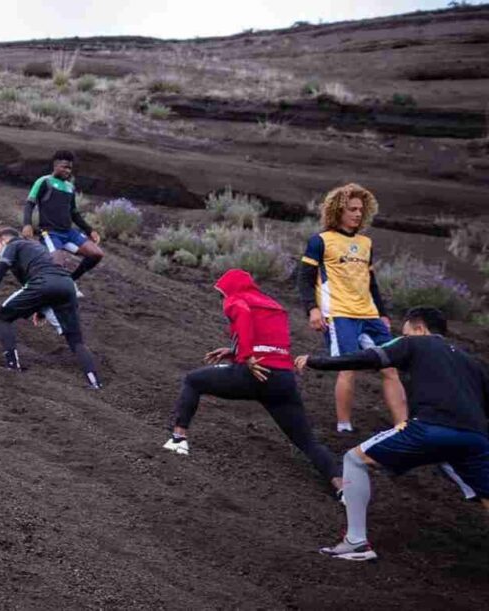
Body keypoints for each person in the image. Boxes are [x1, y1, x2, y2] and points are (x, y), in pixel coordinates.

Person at [296, 307, 489, 561]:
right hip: (476, 439)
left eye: (406, 330)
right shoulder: (471, 362)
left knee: (354, 459)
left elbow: (368, 358)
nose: (403, 336)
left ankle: (356, 543)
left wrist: (317, 361)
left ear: (419, 328)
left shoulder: (415, 343)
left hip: (430, 428)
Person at [161, 269, 341, 492]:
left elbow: (243, 315)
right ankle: (341, 487)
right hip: (282, 379)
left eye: (221, 295)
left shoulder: (235, 300)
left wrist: (245, 356)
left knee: (192, 380)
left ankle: (178, 440)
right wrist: (234, 351)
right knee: (307, 441)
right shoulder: (272, 305)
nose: (222, 301)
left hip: (252, 374)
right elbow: (269, 340)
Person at [298, 183, 406, 433]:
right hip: (339, 315)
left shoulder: (366, 243)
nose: (357, 214)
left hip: (369, 314)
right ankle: (344, 427)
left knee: (390, 368)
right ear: (338, 211)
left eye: (361, 209)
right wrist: (312, 309)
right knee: (348, 368)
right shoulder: (320, 241)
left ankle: (403, 425)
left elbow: (372, 283)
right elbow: (304, 278)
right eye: (352, 209)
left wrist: (383, 313)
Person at [0, 227, 102, 389]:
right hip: (67, 285)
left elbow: (2, 266)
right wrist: (40, 310)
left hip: (44, 282)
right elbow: (45, 277)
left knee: (3, 317)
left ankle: (12, 366)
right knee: (76, 340)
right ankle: (95, 381)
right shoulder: (37, 248)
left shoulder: (13, 245)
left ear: (2, 240)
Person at [22, 150, 104, 292]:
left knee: (96, 254)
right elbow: (30, 204)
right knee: (58, 265)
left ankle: (71, 281)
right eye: (65, 167)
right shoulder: (44, 181)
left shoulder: (70, 187)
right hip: (50, 233)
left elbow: (74, 213)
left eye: (70, 168)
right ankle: (39, 286)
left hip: (69, 233)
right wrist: (27, 224)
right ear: (55, 165)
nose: (68, 171)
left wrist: (90, 230)